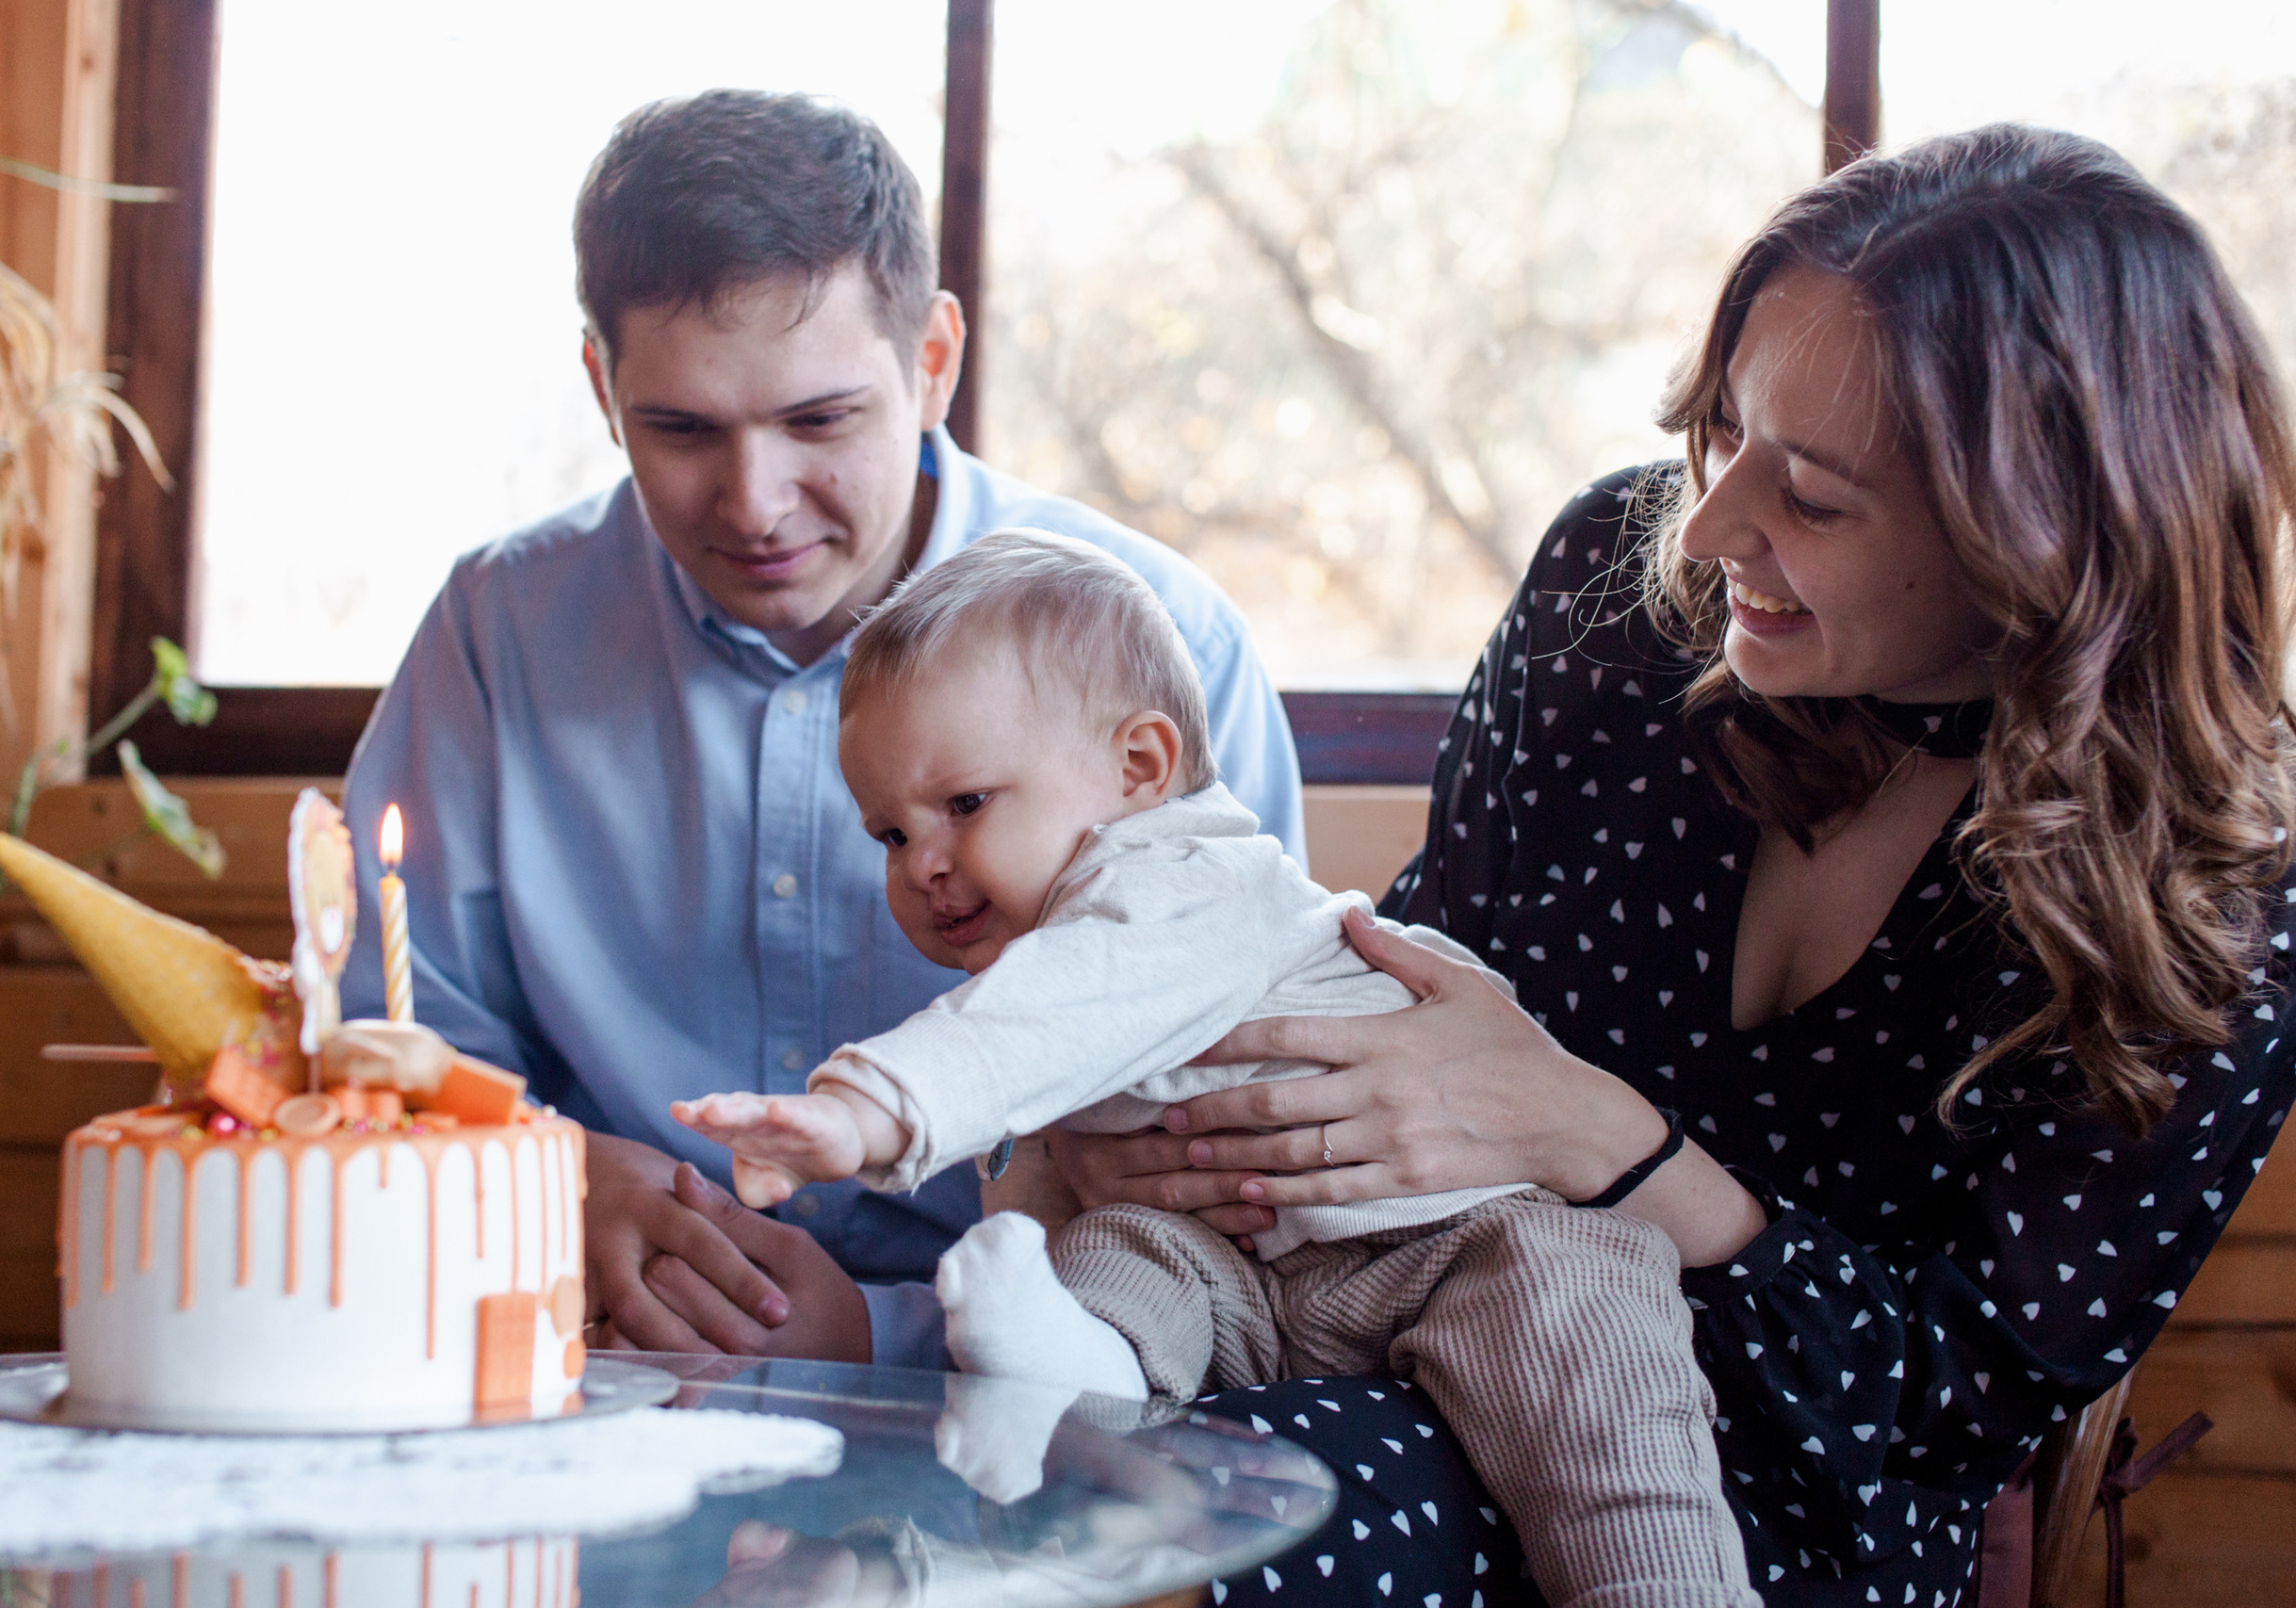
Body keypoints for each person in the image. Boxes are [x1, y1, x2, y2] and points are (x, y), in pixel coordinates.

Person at [1050, 124, 2296, 1607]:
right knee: (1071, 1451)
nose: (1710, 525)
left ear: (2037, 537)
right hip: (1416, 1319)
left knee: (1202, 1514)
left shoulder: (2220, 884)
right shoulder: (1614, 595)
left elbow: (1955, 1408)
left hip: (1785, 1496)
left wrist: (1611, 1144)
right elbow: (1400, 1014)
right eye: (1725, 428)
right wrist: (1166, 1138)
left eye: (1814, 497)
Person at [338, 89, 1303, 1372]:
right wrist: (550, 1177)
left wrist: (890, 1332)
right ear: (602, 388)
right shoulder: (494, 633)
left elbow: (1235, 1130)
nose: (754, 503)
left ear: (934, 361)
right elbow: (387, 1046)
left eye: (819, 420)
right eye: (682, 429)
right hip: (596, 1362)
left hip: (1050, 1384)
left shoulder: (1169, 646)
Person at [677, 528, 1759, 1608]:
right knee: (1121, 1252)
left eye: (963, 805)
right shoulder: (1040, 968)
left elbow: (1033, 1023)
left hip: (1449, 1245)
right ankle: (1075, 1380)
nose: (923, 865)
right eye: (889, 835)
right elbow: (1037, 1142)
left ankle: (1659, 1588)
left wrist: (862, 1111)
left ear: (1138, 768)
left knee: (1579, 1339)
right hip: (1247, 1283)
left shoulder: (1182, 879)